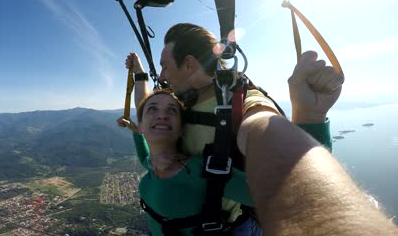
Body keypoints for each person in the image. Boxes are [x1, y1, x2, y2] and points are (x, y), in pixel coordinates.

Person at [125, 23, 397, 235]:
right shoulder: (182, 99)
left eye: (164, 65)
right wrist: (138, 75)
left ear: (189, 64)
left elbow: (268, 134)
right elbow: (147, 109)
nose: (160, 75)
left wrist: (308, 117)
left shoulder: (240, 102)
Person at [118, 90, 256, 235]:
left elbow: (269, 198)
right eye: (152, 109)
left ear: (181, 129)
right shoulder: (151, 164)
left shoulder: (202, 170)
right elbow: (142, 155)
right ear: (141, 126)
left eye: (171, 111)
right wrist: (134, 130)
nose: (162, 115)